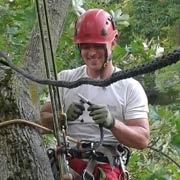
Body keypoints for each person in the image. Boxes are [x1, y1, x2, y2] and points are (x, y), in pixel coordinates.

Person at [40, 8, 150, 180]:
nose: (91, 53)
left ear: (113, 42)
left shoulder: (129, 87)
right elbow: (38, 123)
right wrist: (61, 117)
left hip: (104, 168)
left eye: (98, 46)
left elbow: (142, 139)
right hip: (65, 165)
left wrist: (113, 123)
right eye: (85, 46)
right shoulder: (65, 79)